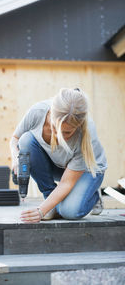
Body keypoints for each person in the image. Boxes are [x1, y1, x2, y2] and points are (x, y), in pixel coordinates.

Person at [10, 88, 107, 223]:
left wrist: (40, 211)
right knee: (25, 140)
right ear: (50, 113)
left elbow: (66, 182)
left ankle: (92, 194)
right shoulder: (38, 112)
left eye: (66, 132)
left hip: (87, 171)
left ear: (78, 126)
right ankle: (52, 201)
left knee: (69, 212)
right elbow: (15, 139)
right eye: (54, 127)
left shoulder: (86, 134)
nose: (58, 135)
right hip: (59, 164)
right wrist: (16, 158)